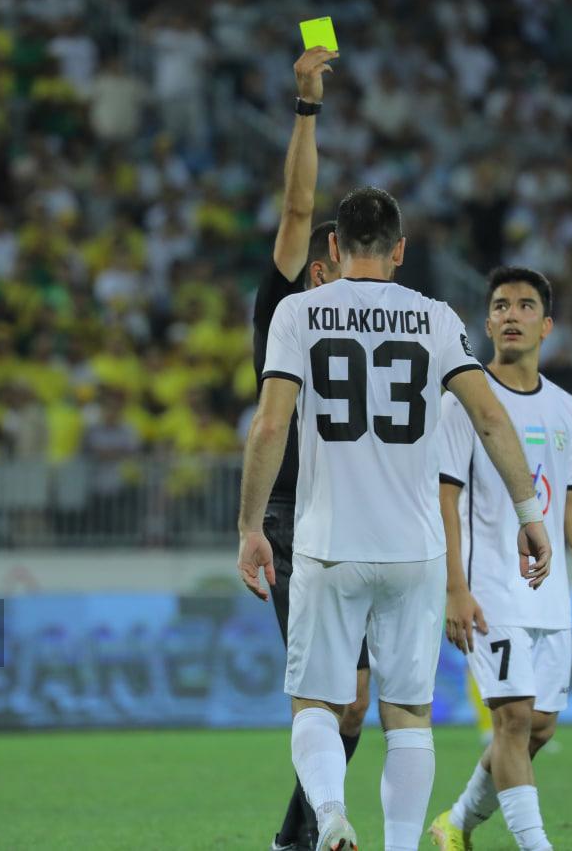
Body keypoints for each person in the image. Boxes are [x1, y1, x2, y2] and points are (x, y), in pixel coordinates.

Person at [237, 186, 552, 851]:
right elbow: (489, 416)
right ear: (400, 251)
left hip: (328, 544)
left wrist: (250, 526)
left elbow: (269, 425)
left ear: (333, 246)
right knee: (408, 714)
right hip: (416, 548)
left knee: (317, 702)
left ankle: (329, 817)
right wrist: (530, 511)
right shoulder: (436, 318)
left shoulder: (301, 312)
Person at [429, 267, 572, 851]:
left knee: (538, 727)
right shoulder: (463, 402)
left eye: (525, 305)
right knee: (511, 719)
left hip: (550, 592)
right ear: (486, 323)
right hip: (489, 588)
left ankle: (457, 822)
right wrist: (454, 587)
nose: (512, 314)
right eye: (501, 306)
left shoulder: (568, 410)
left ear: (547, 325)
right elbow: (445, 495)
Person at [252, 46, 370, 851]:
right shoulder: (289, 306)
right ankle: (308, 837)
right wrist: (306, 105)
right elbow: (296, 211)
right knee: (321, 695)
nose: (334, 269)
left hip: (366, 519)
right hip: (297, 516)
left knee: (355, 703)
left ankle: (303, 830)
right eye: (325, 259)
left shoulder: (380, 323)